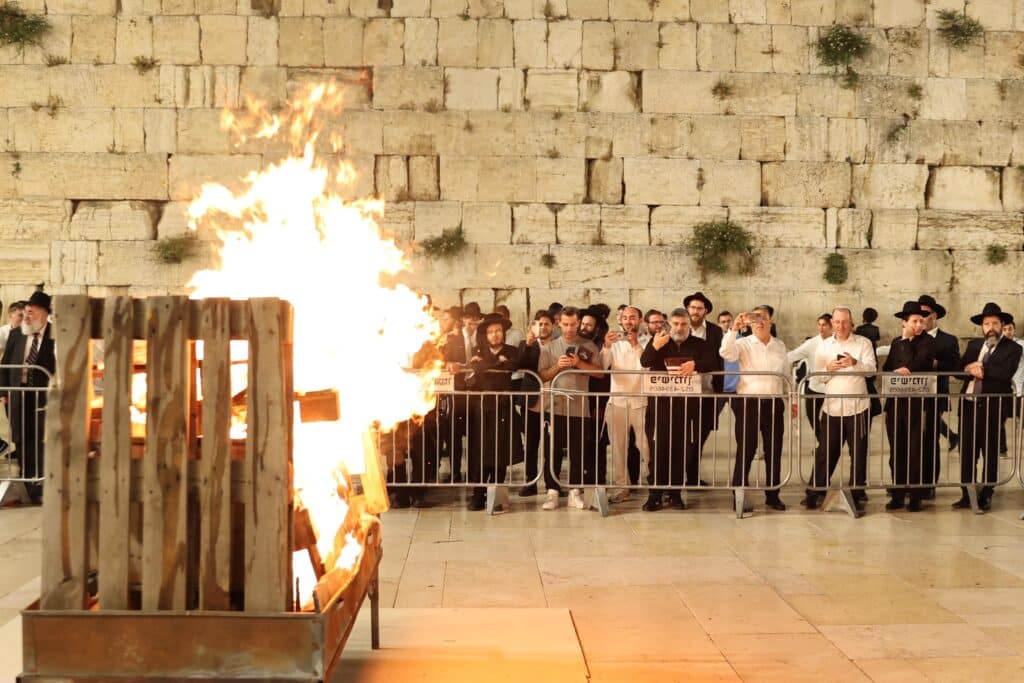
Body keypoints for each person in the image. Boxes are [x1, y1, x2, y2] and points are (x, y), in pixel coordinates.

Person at [640, 308, 717, 511]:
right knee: (657, 451)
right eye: (675, 324)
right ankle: (655, 495)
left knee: (681, 452)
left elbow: (713, 362)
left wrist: (695, 364)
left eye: (683, 324)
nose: (679, 328)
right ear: (669, 324)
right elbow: (644, 361)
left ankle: (675, 494)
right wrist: (655, 346)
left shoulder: (699, 344)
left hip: (686, 409)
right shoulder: (660, 340)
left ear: (689, 325)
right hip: (660, 407)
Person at [803, 306, 876, 510]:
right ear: (832, 323)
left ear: (851, 323)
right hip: (832, 407)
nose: (841, 326)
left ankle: (857, 492)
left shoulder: (863, 343)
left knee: (859, 453)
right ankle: (814, 491)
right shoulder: (824, 346)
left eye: (844, 322)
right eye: (837, 322)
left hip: (858, 407)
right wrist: (828, 369)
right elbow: (818, 377)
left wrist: (855, 362)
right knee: (825, 452)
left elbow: (871, 370)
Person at [953, 303, 1022, 511]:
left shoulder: (1013, 348)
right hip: (968, 405)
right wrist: (968, 367)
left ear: (1002, 325)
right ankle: (967, 493)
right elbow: (958, 369)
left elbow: (1005, 372)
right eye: (986, 324)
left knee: (990, 452)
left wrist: (980, 367)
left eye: (995, 323)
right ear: (982, 327)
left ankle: (986, 494)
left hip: (992, 407)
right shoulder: (974, 346)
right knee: (967, 452)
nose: (990, 327)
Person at [719, 306, 789, 511]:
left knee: (774, 449)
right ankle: (739, 494)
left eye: (763, 317)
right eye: (755, 318)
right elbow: (725, 353)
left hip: (774, 402)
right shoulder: (743, 343)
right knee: (746, 449)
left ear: (770, 321)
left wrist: (792, 399)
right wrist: (733, 329)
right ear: (749, 322)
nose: (759, 322)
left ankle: (773, 495)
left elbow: (786, 374)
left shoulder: (779, 345)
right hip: (749, 402)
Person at [538, 306, 602, 511]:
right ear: (559, 324)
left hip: (579, 406)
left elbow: (600, 373)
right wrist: (558, 366)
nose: (569, 328)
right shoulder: (549, 347)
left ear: (579, 323)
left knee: (578, 450)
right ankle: (552, 491)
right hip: (554, 406)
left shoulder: (588, 346)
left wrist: (579, 364)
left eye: (573, 324)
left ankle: (575, 491)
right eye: (565, 324)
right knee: (552, 449)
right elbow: (542, 375)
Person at [0, 290, 55, 504]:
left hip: (43, 398)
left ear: (44, 314)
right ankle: (29, 482)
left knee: (41, 438)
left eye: (31, 313)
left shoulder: (55, 335)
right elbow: (5, 365)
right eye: (25, 312)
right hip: (18, 395)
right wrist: (3, 392)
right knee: (21, 438)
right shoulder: (16, 334)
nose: (26, 317)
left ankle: (41, 481)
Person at [882, 302, 936, 512]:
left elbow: (919, 363)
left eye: (921, 321)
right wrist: (898, 368)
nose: (919, 325)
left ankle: (915, 495)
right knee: (897, 449)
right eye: (914, 321)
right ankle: (898, 493)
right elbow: (888, 367)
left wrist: (906, 348)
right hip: (896, 403)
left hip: (917, 403)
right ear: (904, 323)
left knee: (916, 449)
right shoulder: (897, 342)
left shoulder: (927, 342)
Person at [465, 313, 521, 511]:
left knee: (500, 452)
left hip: (503, 406)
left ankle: (495, 494)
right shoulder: (477, 350)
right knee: (481, 450)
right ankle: (478, 494)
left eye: (498, 331)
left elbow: (513, 365)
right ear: (486, 335)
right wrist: (498, 362)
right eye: (490, 332)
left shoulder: (512, 350)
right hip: (483, 407)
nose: (495, 335)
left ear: (503, 333)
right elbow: (478, 367)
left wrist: (490, 363)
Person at [600, 306, 648, 503]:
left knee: (646, 445)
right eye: (625, 318)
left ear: (640, 320)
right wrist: (606, 346)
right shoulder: (614, 343)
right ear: (620, 320)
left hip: (641, 402)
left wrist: (636, 345)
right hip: (617, 401)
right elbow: (602, 366)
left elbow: (648, 366)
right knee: (618, 448)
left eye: (633, 317)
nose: (629, 321)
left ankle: (656, 484)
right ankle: (622, 487)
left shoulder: (648, 341)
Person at [683, 292, 722, 485]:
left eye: (699, 308)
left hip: (707, 390)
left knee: (701, 435)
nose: (695, 311)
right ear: (687, 309)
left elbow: (717, 359)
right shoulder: (679, 327)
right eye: (692, 307)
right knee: (681, 435)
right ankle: (676, 476)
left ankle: (692, 476)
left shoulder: (715, 331)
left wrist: (697, 365)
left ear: (706, 311)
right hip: (682, 391)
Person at [918, 295, 960, 464]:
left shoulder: (948, 340)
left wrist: (937, 364)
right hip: (912, 394)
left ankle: (929, 478)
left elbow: (956, 367)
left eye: (925, 314)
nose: (921, 319)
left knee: (930, 439)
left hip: (936, 394)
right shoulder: (912, 337)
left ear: (934, 315)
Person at [518, 310, 555, 497]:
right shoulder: (527, 344)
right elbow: (520, 364)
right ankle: (530, 481)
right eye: (540, 324)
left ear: (553, 326)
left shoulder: (558, 345)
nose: (543, 327)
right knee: (531, 444)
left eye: (547, 324)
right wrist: (527, 344)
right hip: (532, 401)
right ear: (533, 326)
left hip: (553, 401)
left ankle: (552, 483)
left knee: (551, 445)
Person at [788, 313, 833, 436]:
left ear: (831, 326)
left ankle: (827, 443)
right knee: (811, 415)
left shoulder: (838, 342)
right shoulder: (812, 343)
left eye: (824, 325)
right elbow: (793, 355)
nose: (821, 328)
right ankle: (822, 441)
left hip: (832, 387)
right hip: (815, 386)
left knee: (831, 419)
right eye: (819, 325)